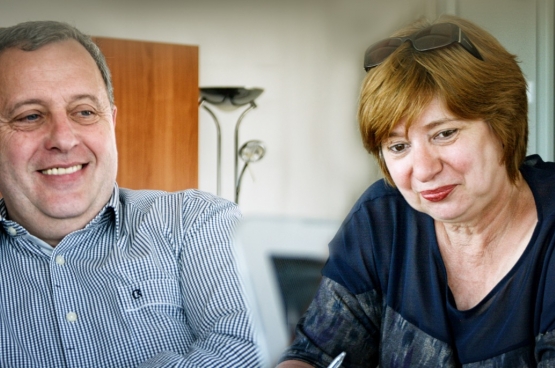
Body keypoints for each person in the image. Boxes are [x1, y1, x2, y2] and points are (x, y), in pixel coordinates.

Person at [278, 14, 555, 367]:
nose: (423, 170)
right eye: (398, 147)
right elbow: (315, 353)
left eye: (445, 133)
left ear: (504, 124)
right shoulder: (382, 220)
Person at [0, 20, 261, 367]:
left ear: (112, 122)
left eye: (85, 112)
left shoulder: (195, 222)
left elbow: (249, 351)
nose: (63, 139)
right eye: (30, 116)